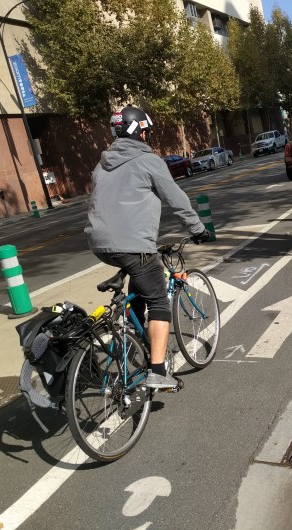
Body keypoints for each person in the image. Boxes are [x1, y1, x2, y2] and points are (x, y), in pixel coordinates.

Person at [85, 105, 211, 389]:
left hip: (99, 244)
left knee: (140, 287)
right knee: (159, 303)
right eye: (145, 129)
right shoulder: (148, 161)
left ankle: (137, 337)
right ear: (137, 130)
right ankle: (157, 371)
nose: (147, 134)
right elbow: (176, 199)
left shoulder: (101, 165)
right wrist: (197, 228)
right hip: (132, 245)